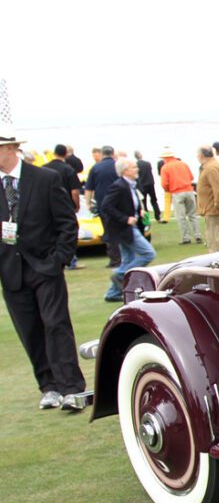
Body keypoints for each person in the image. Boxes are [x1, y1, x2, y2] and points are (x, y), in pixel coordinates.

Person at [0, 131, 87, 411]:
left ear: (11, 148)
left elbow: (66, 223)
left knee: (56, 323)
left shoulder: (44, 179)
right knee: (30, 330)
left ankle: (71, 387)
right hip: (11, 270)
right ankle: (48, 386)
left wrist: (58, 259)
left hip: (45, 266)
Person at [99, 159, 156, 303]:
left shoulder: (130, 185)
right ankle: (120, 275)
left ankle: (112, 294)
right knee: (148, 253)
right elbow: (106, 206)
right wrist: (125, 219)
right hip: (124, 228)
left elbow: (128, 203)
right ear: (124, 171)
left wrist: (138, 212)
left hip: (129, 228)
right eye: (133, 167)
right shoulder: (119, 186)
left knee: (128, 260)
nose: (137, 169)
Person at [85, 146, 121, 266]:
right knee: (122, 229)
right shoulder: (118, 166)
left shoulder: (95, 168)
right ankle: (126, 255)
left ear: (102, 154)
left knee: (108, 231)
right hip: (120, 203)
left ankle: (114, 258)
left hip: (103, 204)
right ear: (112, 153)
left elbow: (89, 188)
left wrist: (88, 203)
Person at [159, 147, 200, 245]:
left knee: (181, 217)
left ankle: (186, 238)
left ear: (165, 158)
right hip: (189, 191)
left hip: (177, 192)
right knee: (192, 215)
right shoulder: (183, 164)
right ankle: (198, 235)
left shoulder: (165, 167)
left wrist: (168, 190)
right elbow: (191, 177)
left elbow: (164, 183)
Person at [195, 146, 219, 253]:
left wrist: (217, 205)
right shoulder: (213, 165)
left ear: (201, 155)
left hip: (213, 209)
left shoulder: (211, 168)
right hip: (213, 208)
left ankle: (218, 262)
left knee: (214, 239)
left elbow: (218, 189)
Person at [133, 150, 161, 222]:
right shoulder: (147, 163)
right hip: (150, 183)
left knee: (143, 202)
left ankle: (146, 218)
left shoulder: (135, 165)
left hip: (142, 185)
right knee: (154, 200)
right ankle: (158, 216)